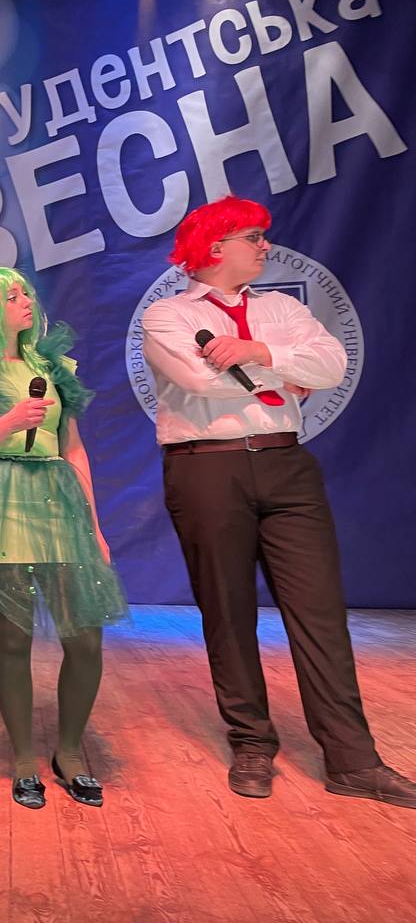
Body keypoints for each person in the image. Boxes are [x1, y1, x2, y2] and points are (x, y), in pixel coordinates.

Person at [142, 195, 416, 807]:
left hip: (286, 462)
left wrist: (260, 353)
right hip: (206, 467)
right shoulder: (167, 314)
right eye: (253, 236)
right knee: (228, 610)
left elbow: (332, 364)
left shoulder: (282, 309)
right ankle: (251, 744)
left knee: (320, 613)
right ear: (216, 246)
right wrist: (287, 376)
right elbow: (201, 381)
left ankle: (353, 759)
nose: (265, 246)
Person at [0, 267, 128, 809]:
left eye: (25, 293)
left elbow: (73, 449)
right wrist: (7, 423)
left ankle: (70, 752)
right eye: (11, 296)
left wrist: (95, 526)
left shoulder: (52, 368)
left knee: (85, 637)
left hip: (58, 502)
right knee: (13, 640)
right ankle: (22, 760)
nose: (25, 301)